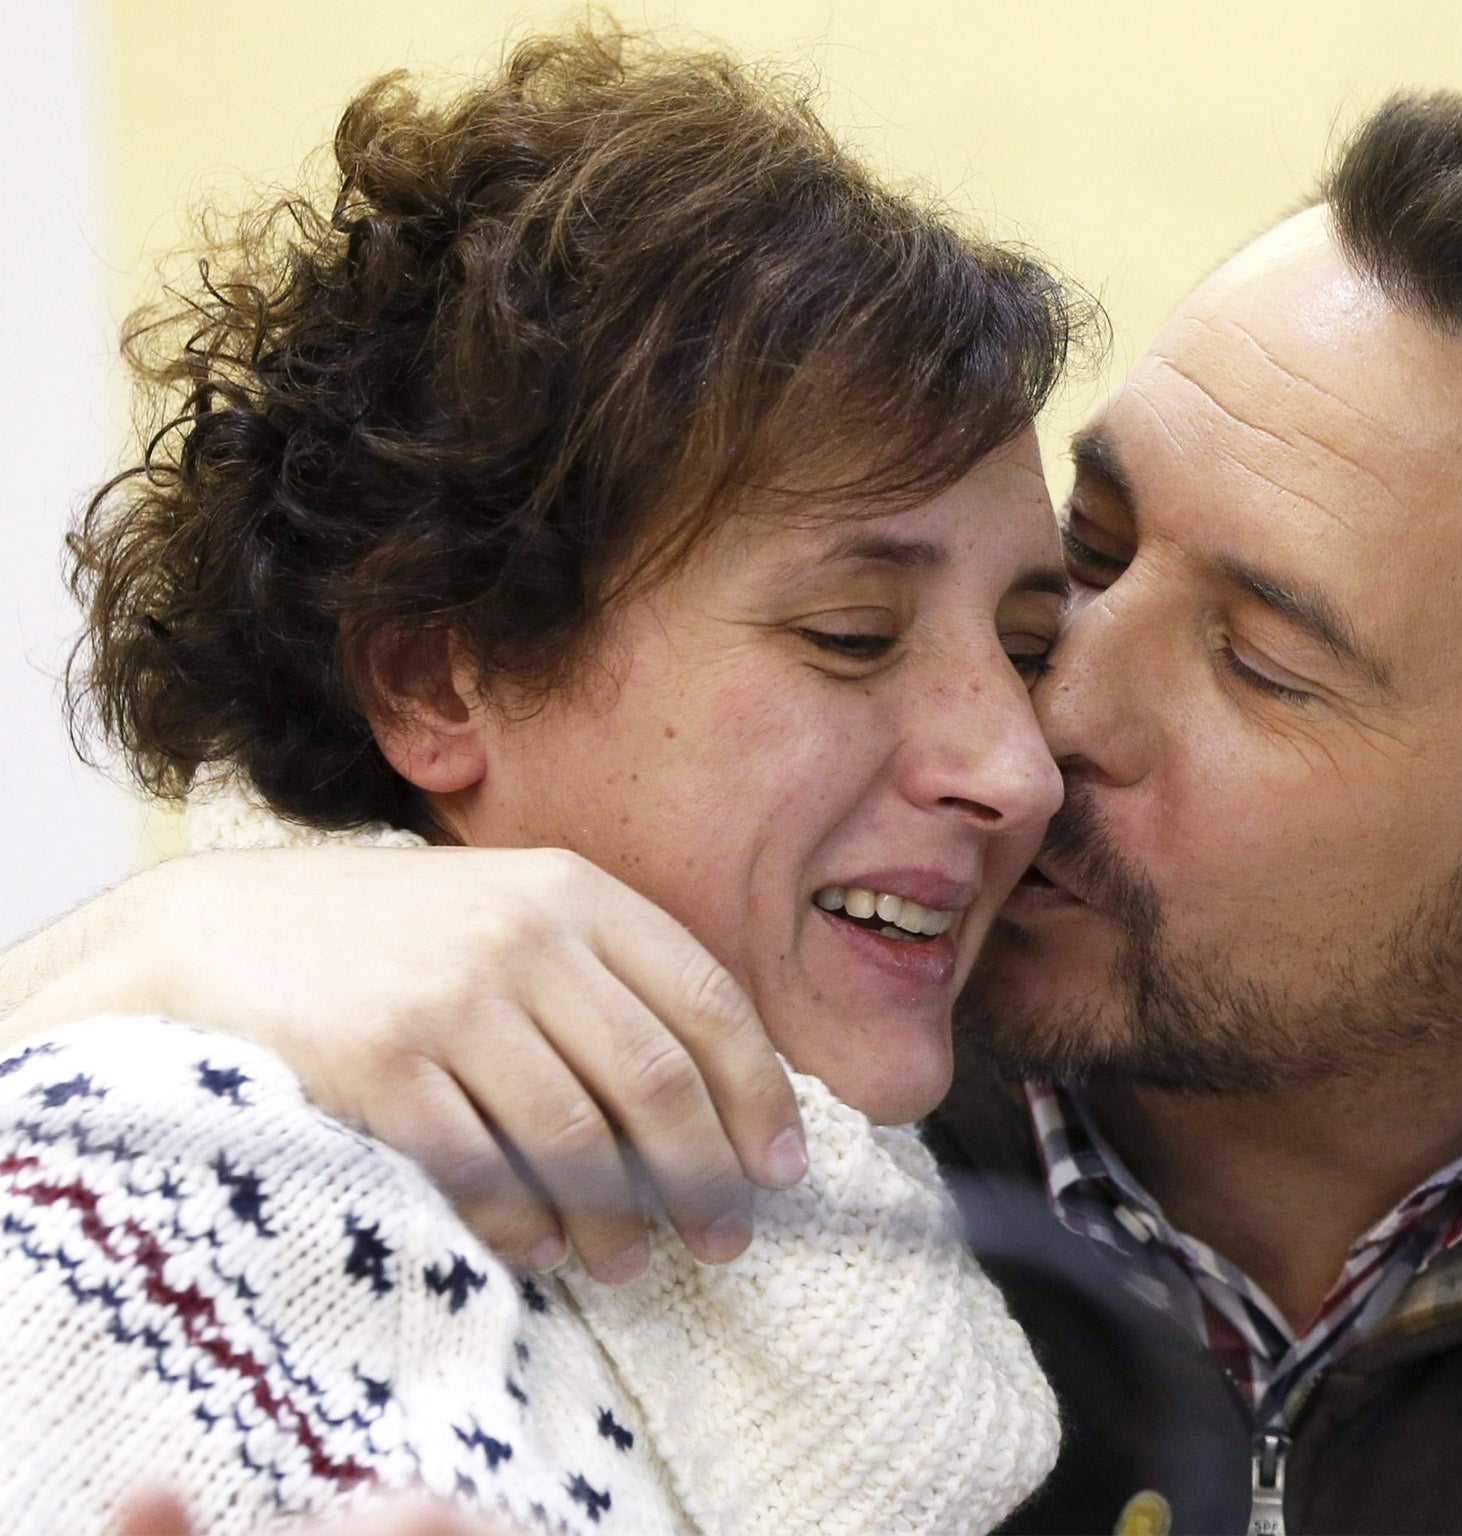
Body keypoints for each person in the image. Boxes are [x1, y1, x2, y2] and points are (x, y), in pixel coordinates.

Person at [14, 91, 1462, 1535]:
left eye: (1257, 662)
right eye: (1090, 557)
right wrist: (141, 958)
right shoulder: (839, 998)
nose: (1033, 731)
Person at [0, 27, 1087, 1536]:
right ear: (436, 682)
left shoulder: (949, 1243)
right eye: (852, 635)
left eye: (1030, 649)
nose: (1013, 768)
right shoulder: (144, 1187)